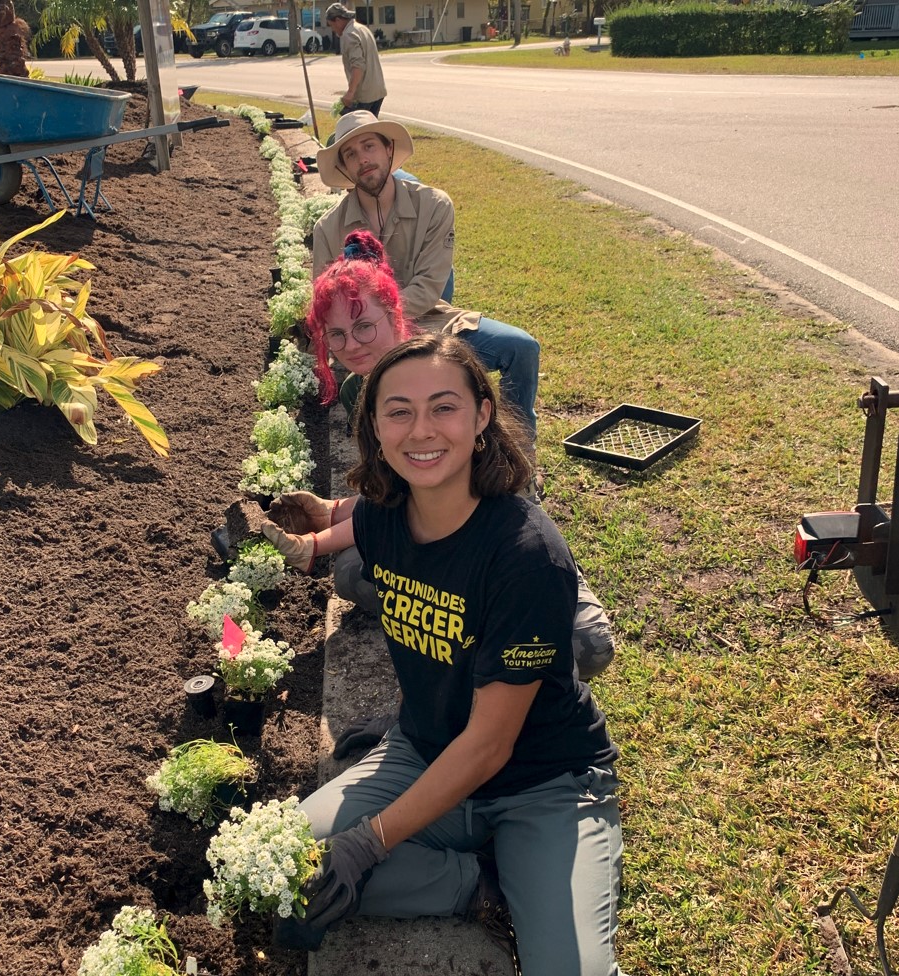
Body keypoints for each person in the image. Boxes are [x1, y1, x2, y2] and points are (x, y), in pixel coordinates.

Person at [291, 333, 627, 976]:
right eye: (398, 411)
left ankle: (544, 865)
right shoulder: (385, 515)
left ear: (481, 417)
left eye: (443, 406)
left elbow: (491, 745)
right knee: (281, 868)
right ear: (375, 428)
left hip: (544, 781)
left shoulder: (525, 554)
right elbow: (345, 515)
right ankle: (478, 885)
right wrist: (295, 540)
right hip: (425, 751)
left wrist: (371, 840)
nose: (422, 429)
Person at [263, 231, 615, 682]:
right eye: (337, 334)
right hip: (430, 532)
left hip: (494, 519)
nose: (351, 344)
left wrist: (317, 542)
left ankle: (484, 633)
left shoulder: (444, 366)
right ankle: (476, 633)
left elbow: (439, 491)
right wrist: (334, 512)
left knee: (587, 649)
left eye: (364, 325)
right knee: (351, 573)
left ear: (395, 315)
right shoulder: (360, 392)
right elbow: (401, 490)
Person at [313, 111, 541, 440]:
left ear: (389, 150)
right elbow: (326, 302)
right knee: (357, 394)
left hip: (430, 319)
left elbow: (430, 286)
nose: (363, 159)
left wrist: (380, 316)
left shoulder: (434, 205)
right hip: (369, 339)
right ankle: (389, 469)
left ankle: (521, 450)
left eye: (369, 146)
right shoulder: (327, 228)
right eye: (350, 154)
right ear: (344, 168)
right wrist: (364, 331)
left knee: (521, 348)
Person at [325, 2, 387, 117]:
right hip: (378, 90)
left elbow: (358, 65)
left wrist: (350, 93)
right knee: (371, 129)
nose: (333, 30)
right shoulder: (362, 28)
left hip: (364, 95)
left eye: (332, 25)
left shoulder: (348, 35)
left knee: (358, 131)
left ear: (338, 20)